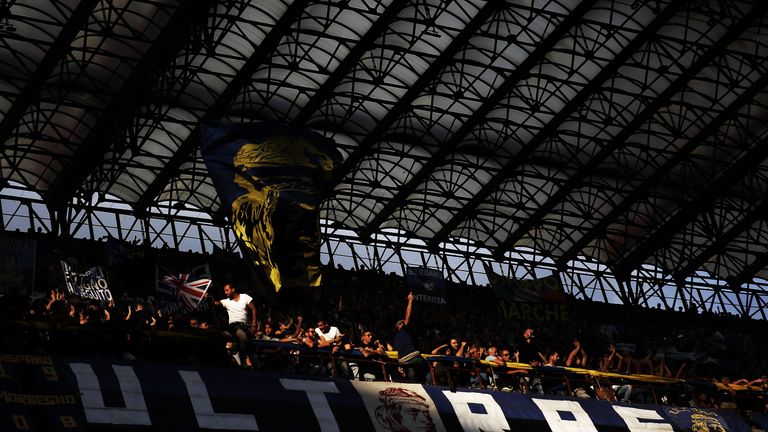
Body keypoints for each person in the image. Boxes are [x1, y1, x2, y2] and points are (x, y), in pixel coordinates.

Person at [210, 283, 257, 365]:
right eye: (224, 291)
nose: (225, 292)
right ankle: (245, 359)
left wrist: (254, 325)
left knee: (250, 341)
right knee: (242, 336)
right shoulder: (226, 301)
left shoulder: (244, 297)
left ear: (233, 289)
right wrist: (210, 298)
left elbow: (254, 310)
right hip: (234, 326)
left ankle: (239, 352)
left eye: (227, 290)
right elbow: (216, 303)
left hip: (245, 326)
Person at [393, 292, 427, 382]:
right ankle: (430, 386)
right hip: (412, 356)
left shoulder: (395, 337)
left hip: (402, 361)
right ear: (400, 326)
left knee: (411, 370)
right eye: (402, 323)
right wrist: (410, 300)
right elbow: (408, 315)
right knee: (427, 366)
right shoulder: (404, 329)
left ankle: (414, 386)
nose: (403, 323)